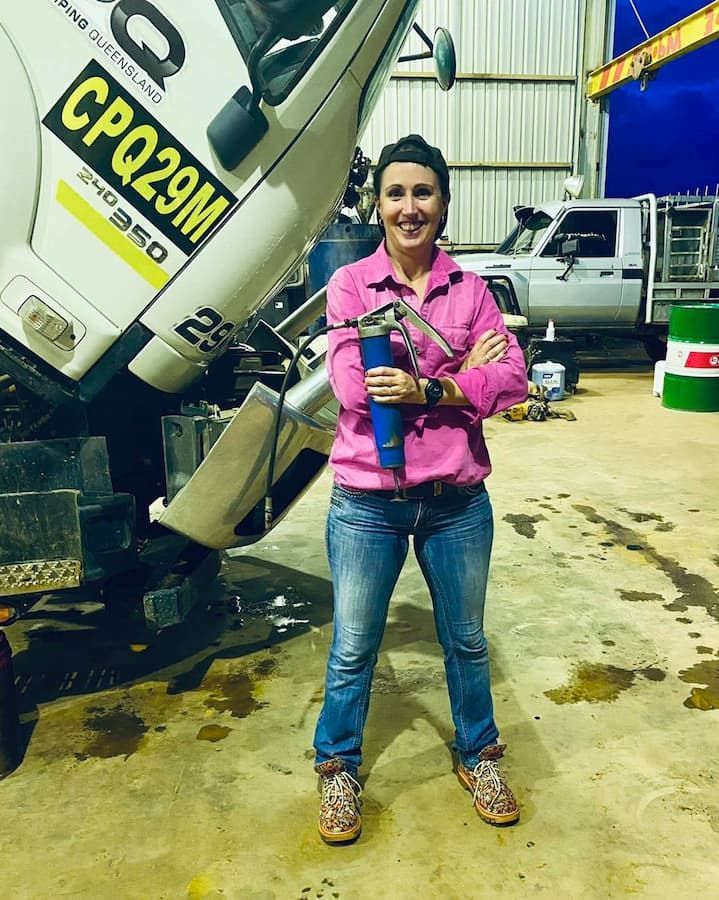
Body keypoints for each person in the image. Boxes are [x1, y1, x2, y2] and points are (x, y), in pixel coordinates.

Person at [312, 135, 528, 843]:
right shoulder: (351, 286)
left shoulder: (471, 290)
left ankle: (479, 755)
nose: (410, 208)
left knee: (465, 640)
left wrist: (428, 386)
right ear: (377, 205)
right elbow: (355, 389)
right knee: (353, 646)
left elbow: (512, 381)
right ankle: (337, 767)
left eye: (423, 193)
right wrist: (464, 369)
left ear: (443, 203)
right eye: (396, 193)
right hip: (368, 503)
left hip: (455, 503)